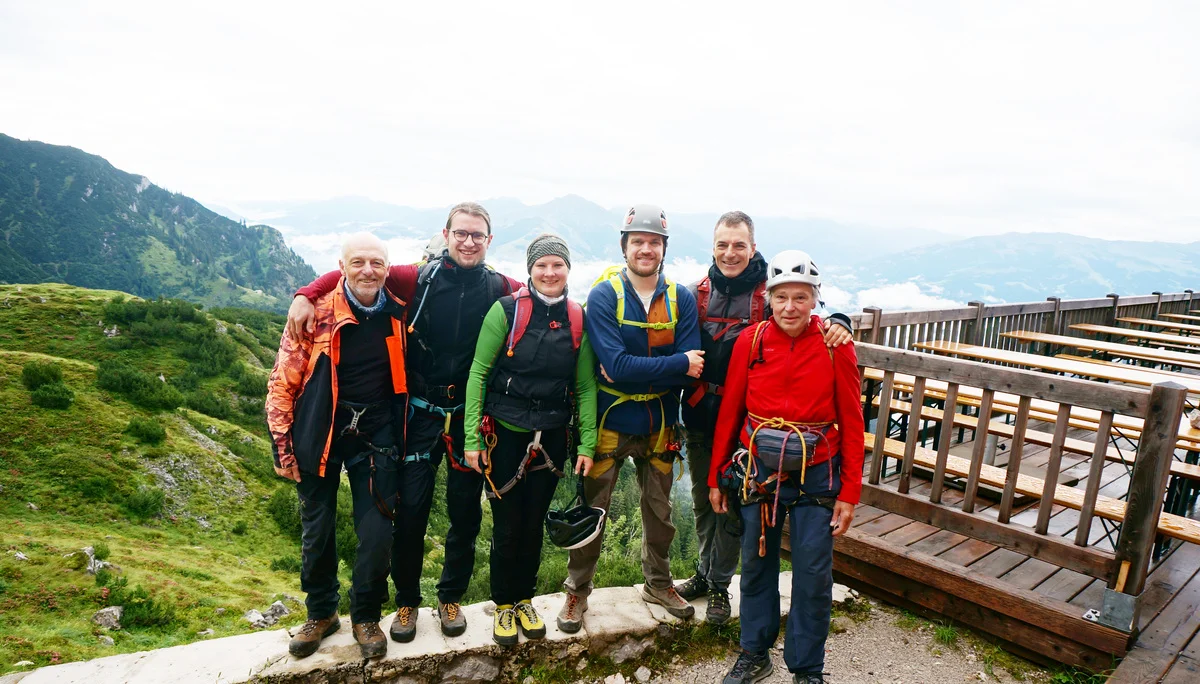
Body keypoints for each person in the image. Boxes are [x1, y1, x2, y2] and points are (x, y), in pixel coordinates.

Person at [287, 202, 521, 642]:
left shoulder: (500, 286)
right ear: (447, 235)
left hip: (468, 421)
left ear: (489, 241)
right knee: (409, 513)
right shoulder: (417, 278)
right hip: (418, 415)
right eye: (461, 233)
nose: (469, 242)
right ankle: (407, 603)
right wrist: (305, 292)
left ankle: (449, 597)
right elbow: (356, 274)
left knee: (465, 514)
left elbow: (542, 295)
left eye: (478, 235)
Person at [677, 212, 853, 624]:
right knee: (708, 500)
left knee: (737, 512)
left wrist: (840, 321)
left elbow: (802, 315)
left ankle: (720, 585)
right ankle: (705, 574)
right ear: (713, 247)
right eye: (723, 244)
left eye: (739, 245)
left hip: (753, 424)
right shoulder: (696, 295)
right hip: (705, 414)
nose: (730, 253)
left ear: (753, 248)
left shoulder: (770, 290)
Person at [707, 250, 864, 684]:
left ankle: (807, 668)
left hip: (818, 470)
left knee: (813, 572)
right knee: (756, 564)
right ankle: (754, 652)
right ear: (769, 297)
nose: (790, 307)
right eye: (782, 297)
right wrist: (715, 476)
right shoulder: (752, 342)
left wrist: (850, 493)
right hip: (759, 469)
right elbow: (731, 410)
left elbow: (852, 421)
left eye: (800, 297)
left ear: (815, 299)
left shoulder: (836, 347)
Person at [558, 204, 703, 632]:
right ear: (625, 247)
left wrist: (646, 365)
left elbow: (696, 365)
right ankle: (576, 592)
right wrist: (674, 363)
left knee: (660, 514)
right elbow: (622, 368)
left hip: (659, 422)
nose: (646, 248)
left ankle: (658, 583)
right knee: (593, 511)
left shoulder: (681, 298)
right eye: (638, 241)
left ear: (663, 249)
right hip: (612, 420)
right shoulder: (605, 295)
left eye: (653, 242)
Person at [266, 233, 408, 659]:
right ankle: (322, 612)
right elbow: (283, 381)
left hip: (376, 430)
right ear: (341, 267)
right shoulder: (316, 315)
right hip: (319, 429)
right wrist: (282, 446)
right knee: (317, 528)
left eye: (377, 263)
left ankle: (365, 614)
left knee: (378, 528)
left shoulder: (400, 310)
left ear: (388, 268)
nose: (368, 271)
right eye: (358, 262)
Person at [461, 234, 599, 645]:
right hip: (505, 435)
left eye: (558, 265)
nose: (550, 272)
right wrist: (471, 437)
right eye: (542, 265)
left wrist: (587, 444)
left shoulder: (578, 317)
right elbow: (478, 374)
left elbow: (586, 386)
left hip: (553, 437)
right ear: (530, 270)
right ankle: (504, 604)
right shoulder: (505, 312)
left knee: (534, 524)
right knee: (507, 526)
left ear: (568, 270)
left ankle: (525, 599)